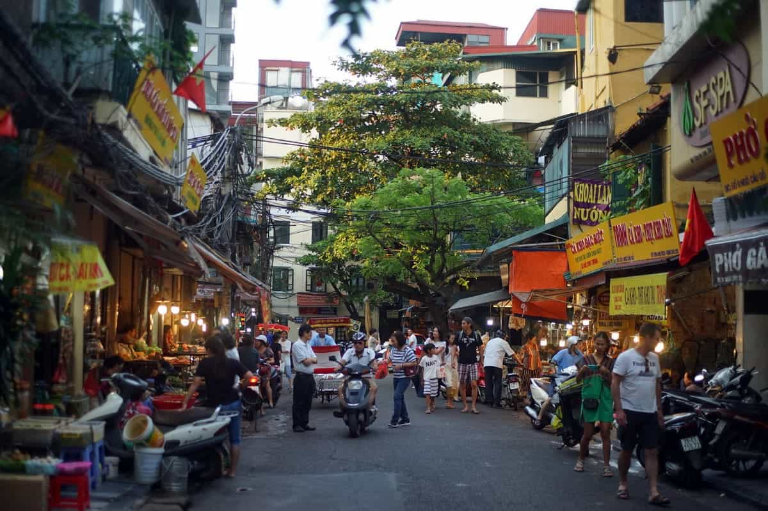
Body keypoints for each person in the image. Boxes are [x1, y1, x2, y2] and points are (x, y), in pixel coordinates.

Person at [613, 323, 668, 506]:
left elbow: (657, 384)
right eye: (656, 338)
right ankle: (623, 484)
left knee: (652, 451)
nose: (658, 342)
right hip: (629, 411)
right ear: (646, 337)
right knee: (627, 450)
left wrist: (659, 410)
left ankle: (653, 491)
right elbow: (615, 383)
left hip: (649, 411)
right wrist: (619, 410)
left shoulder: (655, 358)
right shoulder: (625, 357)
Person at [183, 336, 253, 477]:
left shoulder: (205, 363)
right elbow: (250, 376)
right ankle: (232, 471)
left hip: (215, 407)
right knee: (235, 439)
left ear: (209, 349)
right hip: (233, 403)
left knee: (212, 438)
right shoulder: (232, 362)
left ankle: (216, 467)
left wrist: (185, 402)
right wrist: (240, 387)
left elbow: (195, 383)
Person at [574, 332, 615, 476]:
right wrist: (583, 371)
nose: (599, 347)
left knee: (605, 432)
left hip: (605, 399)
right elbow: (578, 380)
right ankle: (580, 459)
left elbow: (613, 382)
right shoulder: (585, 359)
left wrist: (606, 373)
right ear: (593, 343)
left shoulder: (611, 362)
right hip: (590, 398)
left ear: (607, 346)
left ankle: (606, 466)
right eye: (597, 343)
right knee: (588, 433)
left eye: (602, 344)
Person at [335, 331, 378, 413]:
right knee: (340, 388)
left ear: (364, 343)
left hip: (366, 377)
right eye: (355, 343)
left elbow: (373, 361)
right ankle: (343, 408)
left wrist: (375, 366)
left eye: (360, 343)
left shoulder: (369, 351)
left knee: (374, 388)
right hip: (351, 377)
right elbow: (343, 361)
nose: (357, 345)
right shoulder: (349, 351)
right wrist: (338, 367)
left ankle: (369, 407)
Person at [388, 331, 418, 428]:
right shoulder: (393, 349)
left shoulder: (407, 350)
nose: (392, 343)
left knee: (397, 396)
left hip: (404, 377)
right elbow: (390, 360)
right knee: (400, 397)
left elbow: (414, 363)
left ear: (399, 340)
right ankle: (405, 419)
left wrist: (401, 365)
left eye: (394, 341)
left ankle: (395, 420)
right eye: (392, 341)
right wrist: (383, 362)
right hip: (396, 377)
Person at [291, 324, 318, 432]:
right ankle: (297, 424)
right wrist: (311, 359)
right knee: (299, 401)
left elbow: (315, 359)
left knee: (308, 401)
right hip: (301, 376)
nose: (310, 334)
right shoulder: (297, 345)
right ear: (303, 333)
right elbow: (306, 362)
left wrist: (310, 359)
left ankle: (304, 422)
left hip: (309, 376)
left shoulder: (308, 345)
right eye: (308, 332)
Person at [482, 329, 515, 408]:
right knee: (497, 383)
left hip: (487, 364)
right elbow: (513, 354)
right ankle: (496, 403)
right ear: (503, 336)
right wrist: (520, 362)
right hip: (496, 364)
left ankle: (489, 401)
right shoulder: (503, 342)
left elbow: (485, 354)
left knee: (489, 383)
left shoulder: (490, 342)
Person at [456, 317, 482, 415]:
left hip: (473, 362)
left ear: (469, 324)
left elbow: (480, 348)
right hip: (462, 362)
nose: (462, 325)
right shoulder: (459, 335)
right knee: (462, 385)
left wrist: (481, 361)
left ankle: (474, 406)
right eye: (462, 324)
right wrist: (453, 360)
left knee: (474, 384)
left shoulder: (476, 335)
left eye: (463, 323)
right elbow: (454, 346)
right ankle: (465, 405)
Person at [517, 330, 543, 400]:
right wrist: (521, 363)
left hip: (536, 369)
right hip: (527, 368)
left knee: (535, 384)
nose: (535, 341)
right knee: (526, 383)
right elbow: (520, 357)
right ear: (529, 339)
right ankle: (524, 398)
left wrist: (540, 366)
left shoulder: (535, 346)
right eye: (534, 340)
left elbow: (538, 356)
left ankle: (533, 398)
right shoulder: (524, 347)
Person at [254, 335, 275, 411]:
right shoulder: (254, 350)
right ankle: (261, 406)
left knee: (267, 385)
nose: (256, 342)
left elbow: (273, 360)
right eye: (255, 341)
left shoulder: (268, 350)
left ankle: (270, 401)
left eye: (257, 341)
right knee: (257, 386)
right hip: (256, 369)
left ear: (262, 342)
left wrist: (265, 361)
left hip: (265, 369)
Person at [419, 343, 441, 414]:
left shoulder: (435, 357)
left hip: (434, 377)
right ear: (428, 350)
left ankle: (432, 403)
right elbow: (422, 369)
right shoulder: (424, 359)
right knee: (427, 393)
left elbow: (439, 365)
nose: (435, 350)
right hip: (427, 378)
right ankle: (428, 407)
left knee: (433, 394)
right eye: (433, 349)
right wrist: (422, 379)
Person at [444, 332, 459, 408]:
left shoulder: (457, 347)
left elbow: (460, 354)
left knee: (454, 384)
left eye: (454, 338)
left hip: (455, 366)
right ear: (448, 339)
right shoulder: (445, 346)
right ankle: (448, 401)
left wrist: (456, 352)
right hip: (447, 366)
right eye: (452, 338)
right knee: (449, 383)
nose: (453, 340)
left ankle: (451, 402)